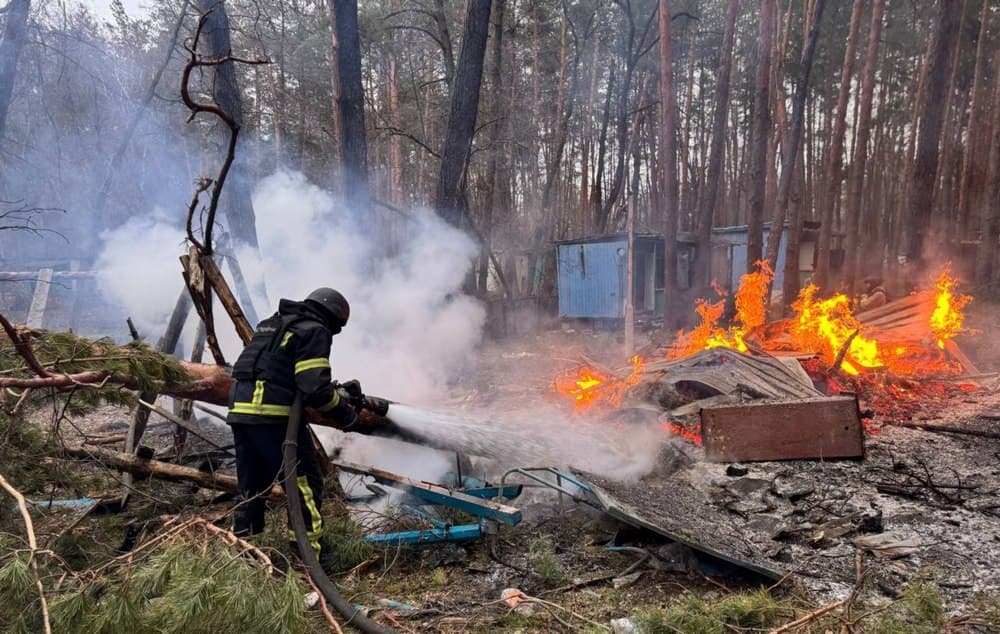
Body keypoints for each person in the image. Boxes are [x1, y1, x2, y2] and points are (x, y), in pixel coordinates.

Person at [226, 287, 362, 558]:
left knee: (252, 486)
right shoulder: (314, 330)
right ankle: (307, 555)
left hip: (241, 413)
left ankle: (244, 551)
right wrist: (346, 415)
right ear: (332, 318)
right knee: (305, 485)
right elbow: (315, 389)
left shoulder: (272, 323)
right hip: (273, 418)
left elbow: (279, 370)